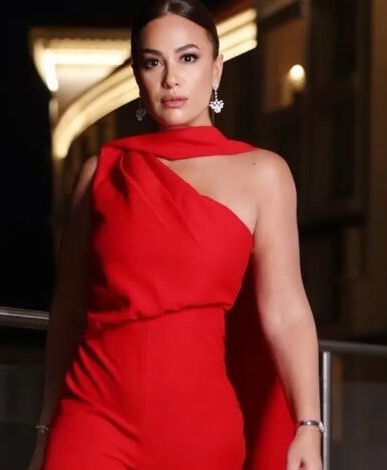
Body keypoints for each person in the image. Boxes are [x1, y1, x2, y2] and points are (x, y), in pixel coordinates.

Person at [29, 1, 323, 469]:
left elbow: (286, 310)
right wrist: (46, 426)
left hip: (196, 427)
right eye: (153, 62)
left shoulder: (262, 173)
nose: (171, 79)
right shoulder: (101, 174)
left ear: (216, 69)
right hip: (91, 417)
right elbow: (67, 313)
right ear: (138, 76)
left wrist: (309, 424)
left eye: (188, 58)